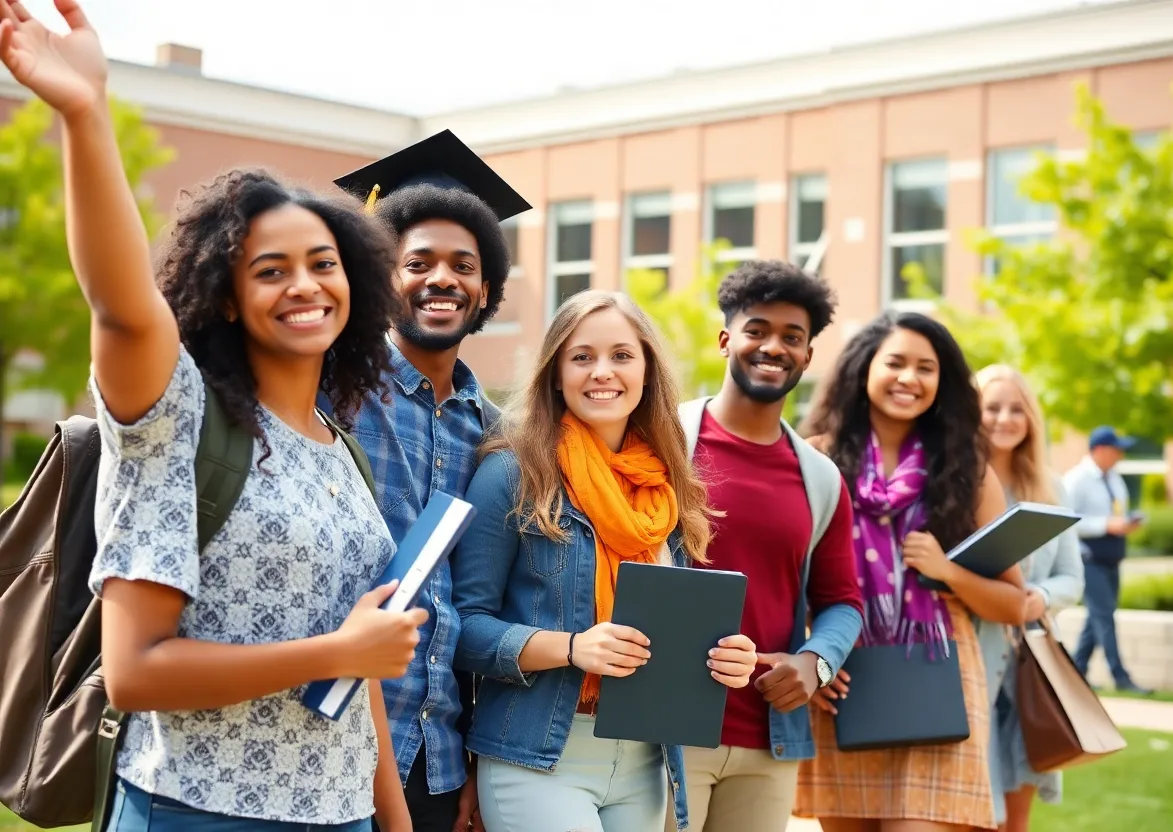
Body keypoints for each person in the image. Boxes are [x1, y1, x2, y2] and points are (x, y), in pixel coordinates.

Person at [0, 2, 425, 829]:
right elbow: (137, 673)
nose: (304, 285)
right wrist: (86, 115)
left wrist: (393, 821)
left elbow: (358, 671)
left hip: (340, 814)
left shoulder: (341, 448)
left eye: (323, 264)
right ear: (227, 300)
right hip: (197, 808)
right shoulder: (178, 417)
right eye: (270, 270)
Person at [450, 291, 759, 832]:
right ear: (556, 372)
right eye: (582, 356)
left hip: (645, 758)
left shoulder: (666, 487)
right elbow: (461, 628)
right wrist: (571, 648)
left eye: (621, 355)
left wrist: (722, 659)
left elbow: (670, 633)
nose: (603, 372)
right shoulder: (512, 473)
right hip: (539, 755)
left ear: (646, 370)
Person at [329, 130, 532, 832]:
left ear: (487, 289)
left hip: (438, 758)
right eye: (417, 261)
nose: (442, 279)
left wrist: (473, 761)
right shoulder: (333, 390)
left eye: (464, 265)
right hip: (327, 736)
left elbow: (482, 601)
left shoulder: (503, 435)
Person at [795, 311, 1026, 832]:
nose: (910, 378)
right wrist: (813, 653)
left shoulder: (967, 469)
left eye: (927, 367)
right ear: (863, 370)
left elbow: (1015, 602)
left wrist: (949, 572)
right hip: (847, 682)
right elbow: (788, 581)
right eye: (895, 362)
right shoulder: (818, 461)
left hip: (939, 680)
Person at [671, 261, 863, 832]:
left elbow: (844, 601)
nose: (773, 347)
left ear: (807, 357)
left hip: (768, 740)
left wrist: (815, 661)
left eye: (792, 338)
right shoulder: (664, 441)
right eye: (757, 330)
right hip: (663, 730)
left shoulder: (821, 478)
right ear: (726, 339)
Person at [976, 364, 1084, 832]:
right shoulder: (954, 483)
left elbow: (1072, 579)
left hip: (1029, 673)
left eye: (1016, 409)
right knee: (971, 812)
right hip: (972, 664)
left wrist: (1038, 597)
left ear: (1031, 419)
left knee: (1015, 822)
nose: (1004, 418)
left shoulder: (1050, 486)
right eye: (992, 407)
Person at [1064, 426, 1152, 695]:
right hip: (1088, 558)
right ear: (1100, 450)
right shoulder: (1077, 479)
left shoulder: (1113, 478)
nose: (1120, 456)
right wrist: (1105, 525)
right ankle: (1120, 676)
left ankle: (1076, 671)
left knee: (1097, 617)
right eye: (1116, 450)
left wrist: (1126, 523)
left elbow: (1118, 510)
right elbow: (1066, 519)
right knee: (1104, 617)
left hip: (1112, 557)